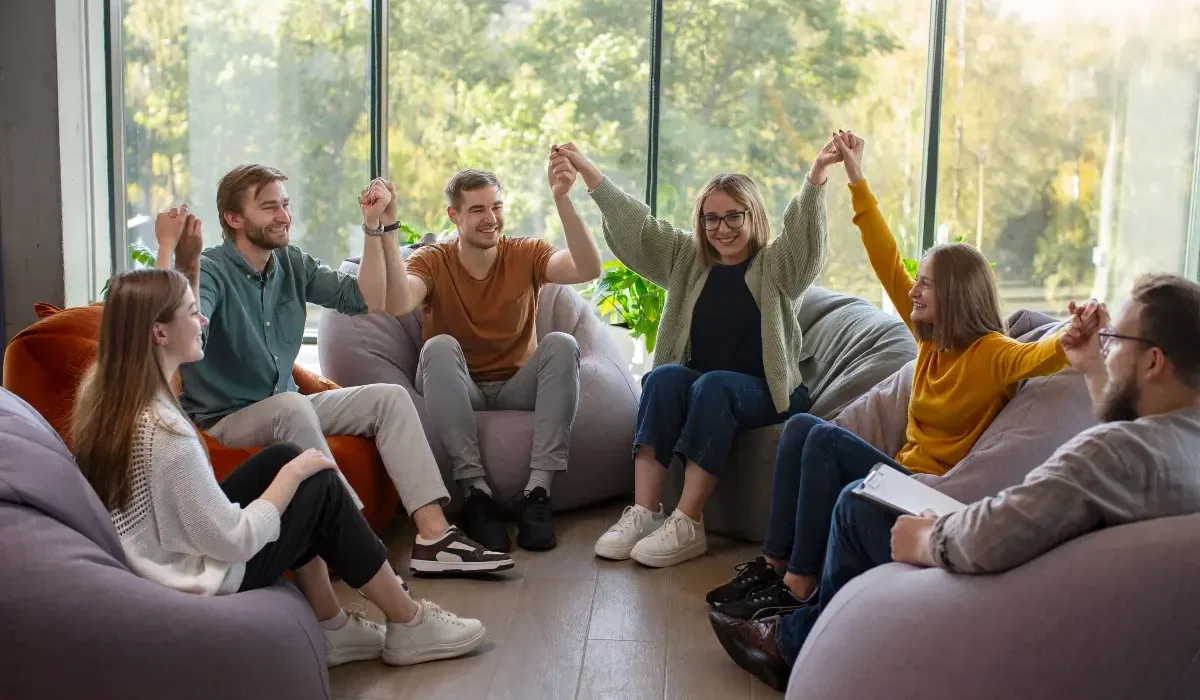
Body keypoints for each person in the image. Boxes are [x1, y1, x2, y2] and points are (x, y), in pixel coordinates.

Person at [708, 273, 1200, 691]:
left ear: (1154, 362)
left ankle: (797, 646)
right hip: (1081, 601)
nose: (1107, 348)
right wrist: (1094, 363)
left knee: (857, 507)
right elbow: (1126, 442)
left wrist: (928, 538)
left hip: (1004, 595)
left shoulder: (1104, 456)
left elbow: (997, 532)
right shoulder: (1175, 445)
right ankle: (800, 613)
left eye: (1117, 342)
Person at [706, 130, 1078, 619]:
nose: (915, 289)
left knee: (824, 440)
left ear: (958, 294)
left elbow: (1045, 356)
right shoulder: (930, 341)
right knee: (801, 428)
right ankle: (775, 564)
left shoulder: (992, 353)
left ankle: (797, 582)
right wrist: (856, 174)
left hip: (928, 490)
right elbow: (883, 256)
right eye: (918, 280)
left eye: (927, 283)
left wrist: (1078, 330)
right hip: (899, 476)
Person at [73, 265, 489, 668]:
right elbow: (233, 541)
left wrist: (290, 470)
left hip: (171, 555)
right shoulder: (168, 434)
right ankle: (407, 619)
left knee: (286, 456)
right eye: (190, 310)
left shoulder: (118, 403)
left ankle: (331, 624)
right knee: (315, 482)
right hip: (200, 578)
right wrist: (290, 482)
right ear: (158, 333)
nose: (202, 318)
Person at [160, 166, 512, 576]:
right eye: (270, 207)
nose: (284, 216)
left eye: (285, 205)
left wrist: (372, 227)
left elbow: (366, 297)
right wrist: (181, 262)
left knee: (388, 397)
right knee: (292, 407)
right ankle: (353, 540)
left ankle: (434, 536)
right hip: (225, 419)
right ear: (234, 219)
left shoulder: (290, 262)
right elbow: (187, 331)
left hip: (288, 404)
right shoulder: (213, 271)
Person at [551, 140, 833, 569]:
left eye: (733, 216)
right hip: (705, 385)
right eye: (711, 218)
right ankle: (645, 512)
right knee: (664, 377)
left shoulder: (777, 266)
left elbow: (805, 244)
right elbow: (636, 227)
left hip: (766, 392)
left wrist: (815, 178)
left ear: (753, 215)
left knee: (713, 384)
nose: (721, 228)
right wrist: (587, 170)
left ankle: (688, 523)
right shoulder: (686, 257)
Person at [391, 150, 602, 553]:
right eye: (477, 210)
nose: (491, 218)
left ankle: (537, 495)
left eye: (496, 206)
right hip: (459, 384)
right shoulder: (432, 259)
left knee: (562, 344)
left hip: (515, 385)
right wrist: (383, 233)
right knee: (437, 347)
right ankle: (476, 495)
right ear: (454, 217)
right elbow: (401, 300)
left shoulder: (525, 252)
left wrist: (562, 199)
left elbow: (587, 269)